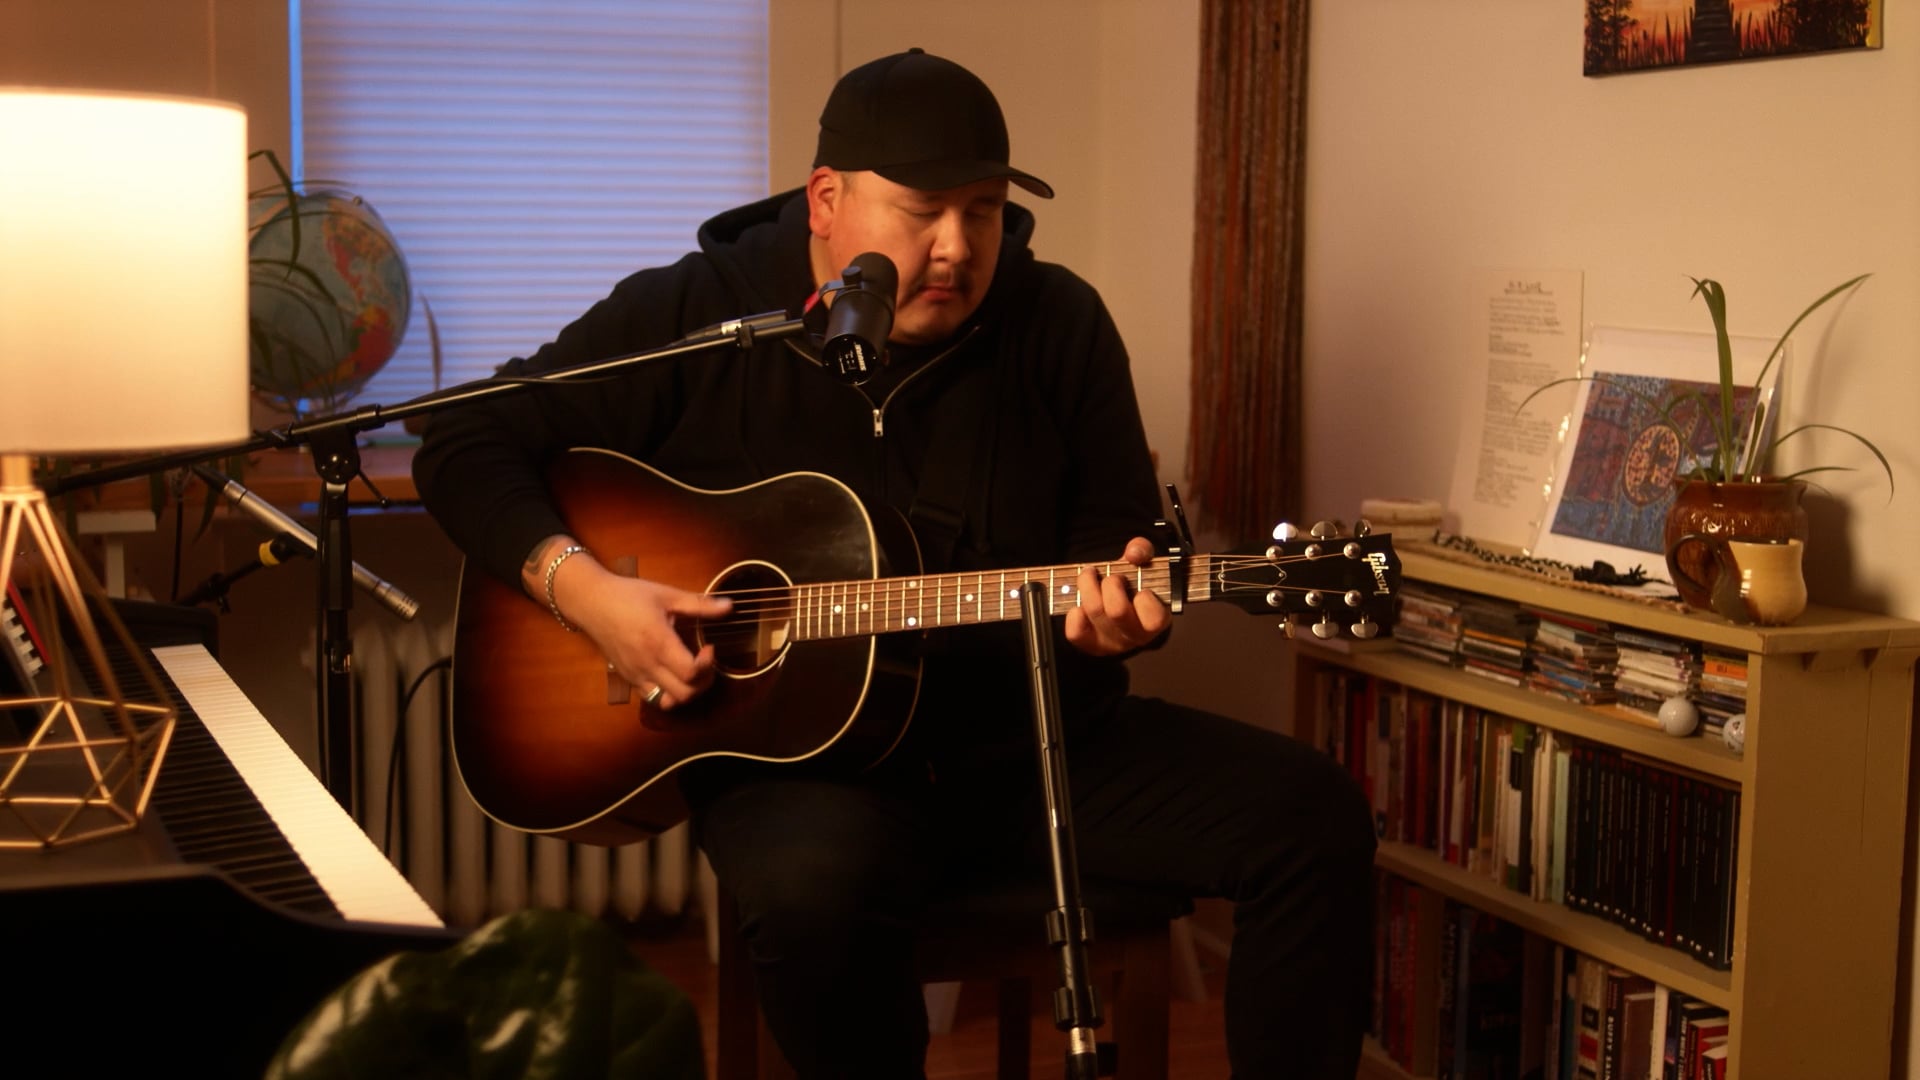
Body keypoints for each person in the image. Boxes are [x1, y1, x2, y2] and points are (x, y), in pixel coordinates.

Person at [414, 47, 1375, 1078]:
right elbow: (464, 441)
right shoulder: (706, 314)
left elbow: (1117, 542)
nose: (957, 247)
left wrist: (1118, 619)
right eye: (922, 211)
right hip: (809, 772)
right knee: (810, 899)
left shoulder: (1058, 327)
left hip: (1032, 748)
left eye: (986, 210)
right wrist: (588, 593)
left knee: (1312, 817)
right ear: (827, 199)